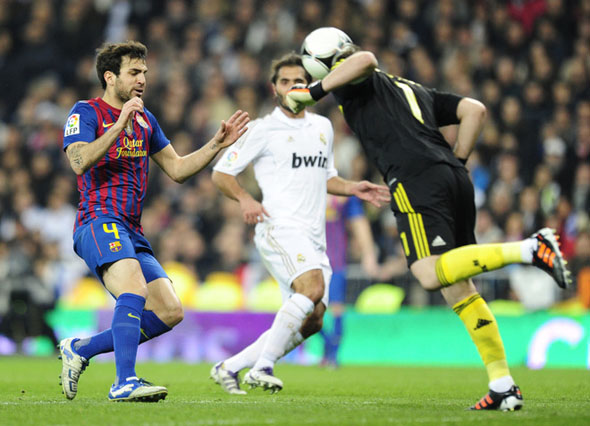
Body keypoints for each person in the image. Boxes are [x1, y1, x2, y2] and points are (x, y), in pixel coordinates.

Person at [286, 32, 570, 411]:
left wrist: (313, 92)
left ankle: (530, 249)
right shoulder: (412, 89)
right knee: (459, 289)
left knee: (428, 273)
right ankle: (502, 384)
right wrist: (458, 161)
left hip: (415, 180)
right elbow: (475, 110)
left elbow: (366, 59)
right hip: (454, 178)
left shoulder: (354, 82)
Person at [60, 41, 249, 402]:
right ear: (110, 77)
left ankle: (81, 349)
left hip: (132, 230)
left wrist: (216, 144)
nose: (142, 79)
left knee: (169, 311)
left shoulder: (146, 120)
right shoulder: (86, 112)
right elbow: (78, 161)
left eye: (144, 72)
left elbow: (177, 169)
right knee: (133, 290)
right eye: (134, 72)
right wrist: (118, 124)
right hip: (98, 221)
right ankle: (124, 382)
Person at [209, 52, 390, 395]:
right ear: (274, 88)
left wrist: (353, 188)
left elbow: (326, 177)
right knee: (312, 289)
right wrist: (245, 199)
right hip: (278, 227)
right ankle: (263, 367)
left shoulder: (322, 128)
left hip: (313, 236)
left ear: (310, 86)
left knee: (314, 319)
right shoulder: (263, 129)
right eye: (285, 81)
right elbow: (221, 174)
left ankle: (230, 366)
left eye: (299, 81)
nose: (293, 86)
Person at [321, 194, 379, 367]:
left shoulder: (344, 194)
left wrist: (368, 253)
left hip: (335, 261)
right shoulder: (303, 189)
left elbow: (359, 222)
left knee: (336, 308)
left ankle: (333, 355)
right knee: (307, 311)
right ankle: (328, 346)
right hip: (306, 261)